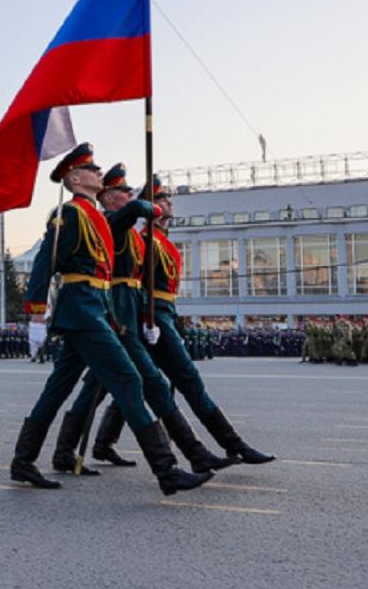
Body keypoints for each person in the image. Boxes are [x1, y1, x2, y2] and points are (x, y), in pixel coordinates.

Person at [8, 144, 213, 495]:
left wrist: (138, 206)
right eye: (91, 169)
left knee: (57, 389)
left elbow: (115, 235)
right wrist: (36, 313)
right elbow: (46, 259)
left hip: (95, 308)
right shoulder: (69, 214)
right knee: (128, 379)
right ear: (74, 178)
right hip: (81, 309)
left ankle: (23, 461)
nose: (98, 173)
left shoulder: (96, 218)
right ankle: (166, 470)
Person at [49, 164, 232, 475]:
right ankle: (185, 458)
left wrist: (145, 317)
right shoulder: (109, 223)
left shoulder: (133, 235)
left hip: (122, 314)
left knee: (94, 385)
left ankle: (73, 450)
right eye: (121, 191)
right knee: (138, 383)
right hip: (110, 315)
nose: (127, 194)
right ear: (107, 198)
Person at [140, 176, 275, 465]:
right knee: (186, 379)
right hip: (154, 317)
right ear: (150, 207)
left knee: (147, 384)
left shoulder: (163, 241)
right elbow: (138, 285)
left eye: (168, 198)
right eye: (162, 199)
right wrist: (146, 318)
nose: (169, 202)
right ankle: (232, 444)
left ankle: (101, 442)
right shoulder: (145, 240)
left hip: (166, 314)